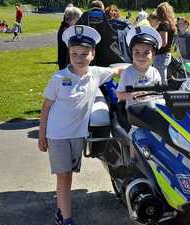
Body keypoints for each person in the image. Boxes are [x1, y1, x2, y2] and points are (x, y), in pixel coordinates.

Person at [38, 25, 127, 225]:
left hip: (77, 135)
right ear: (68, 54)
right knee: (63, 177)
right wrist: (42, 135)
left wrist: (141, 66)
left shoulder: (95, 74)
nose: (79, 58)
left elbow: (118, 69)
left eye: (84, 53)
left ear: (93, 54)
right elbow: (45, 108)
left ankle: (61, 209)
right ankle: (66, 219)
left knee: (68, 176)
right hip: (57, 135)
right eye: (74, 54)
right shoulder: (59, 78)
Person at [116, 26, 162, 106]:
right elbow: (119, 94)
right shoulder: (127, 73)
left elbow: (159, 92)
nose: (141, 57)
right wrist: (133, 95)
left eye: (146, 52)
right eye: (137, 52)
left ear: (153, 54)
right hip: (133, 112)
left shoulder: (155, 72)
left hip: (153, 108)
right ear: (131, 54)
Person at [153, 2, 177, 85]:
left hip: (161, 55)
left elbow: (163, 42)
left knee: (161, 80)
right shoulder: (171, 23)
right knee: (163, 77)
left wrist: (153, 46)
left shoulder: (163, 24)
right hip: (166, 54)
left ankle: (163, 95)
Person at [57, 5, 82, 70]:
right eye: (78, 19)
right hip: (67, 65)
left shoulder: (64, 27)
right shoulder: (67, 31)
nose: (79, 22)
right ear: (74, 18)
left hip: (65, 64)